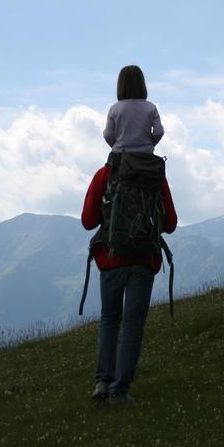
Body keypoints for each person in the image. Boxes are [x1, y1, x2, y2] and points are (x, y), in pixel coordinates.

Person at [81, 151, 177, 404]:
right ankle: (119, 390)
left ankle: (102, 382)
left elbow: (88, 221)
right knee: (133, 324)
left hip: (111, 259)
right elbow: (170, 224)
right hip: (144, 259)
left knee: (110, 318)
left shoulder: (104, 174)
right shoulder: (155, 174)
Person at [103, 65, 165, 155]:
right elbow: (159, 132)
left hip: (121, 159)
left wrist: (118, 146)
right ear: (142, 84)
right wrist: (148, 145)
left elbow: (108, 135)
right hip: (146, 159)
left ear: (120, 85)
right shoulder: (151, 107)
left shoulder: (114, 109)